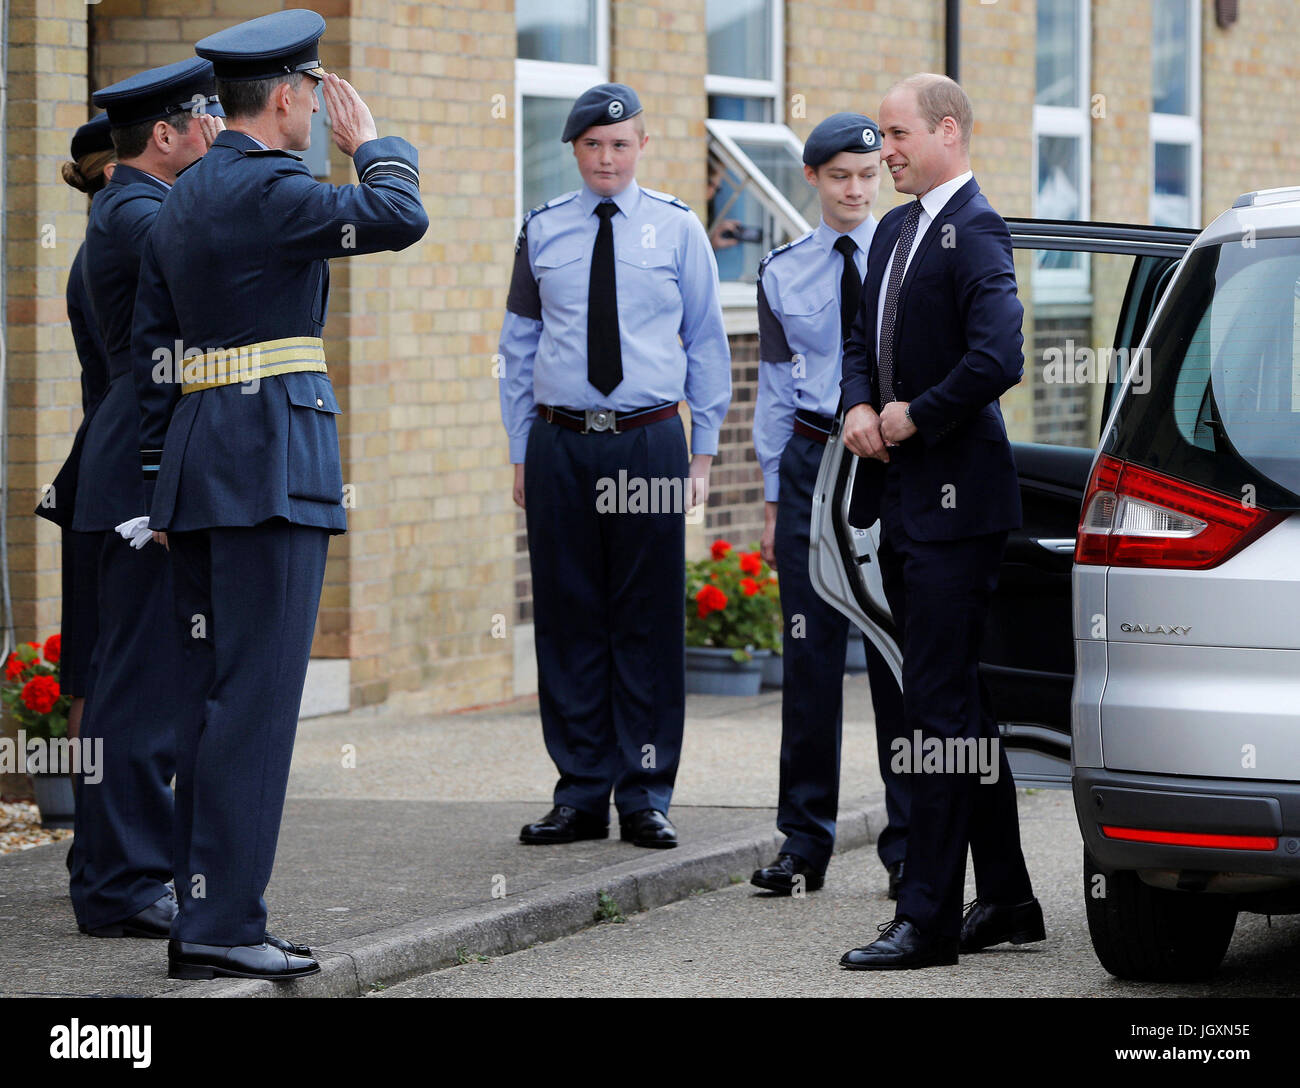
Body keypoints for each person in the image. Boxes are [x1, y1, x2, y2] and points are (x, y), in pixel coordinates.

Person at [130, 8, 428, 981]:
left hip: (198, 468)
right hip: (269, 464)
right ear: (292, 97)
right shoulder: (273, 186)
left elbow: (152, 358)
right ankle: (224, 927)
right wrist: (373, 145)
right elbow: (398, 217)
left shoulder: (180, 196)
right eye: (314, 95)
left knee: (211, 703)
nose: (317, 110)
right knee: (255, 705)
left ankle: (201, 915)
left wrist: (157, 485)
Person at [838, 74, 1043, 970]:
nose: (884, 152)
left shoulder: (978, 229)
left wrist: (916, 414)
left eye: (895, 135)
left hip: (958, 510)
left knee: (936, 715)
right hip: (904, 502)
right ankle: (1007, 899)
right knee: (963, 705)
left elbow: (1001, 356)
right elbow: (859, 336)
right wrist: (855, 405)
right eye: (883, 136)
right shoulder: (892, 229)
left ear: (946, 132)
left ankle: (925, 917)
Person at [500, 83, 731, 851]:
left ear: (641, 146)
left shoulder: (675, 230)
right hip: (562, 441)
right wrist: (519, 449)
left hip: (648, 439)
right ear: (575, 150)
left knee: (646, 617)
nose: (607, 157)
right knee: (568, 618)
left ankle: (644, 794)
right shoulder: (540, 231)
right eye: (594, 146)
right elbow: (519, 349)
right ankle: (579, 793)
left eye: (621, 144)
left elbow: (706, 343)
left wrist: (703, 452)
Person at [65, 59, 223, 941]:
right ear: (163, 137)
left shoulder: (127, 210)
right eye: (204, 119)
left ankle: (114, 870)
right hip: (140, 479)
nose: (212, 132)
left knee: (143, 682)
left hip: (131, 467)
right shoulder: (142, 213)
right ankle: (124, 882)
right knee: (141, 690)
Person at [749, 113, 909, 899]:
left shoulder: (909, 254)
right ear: (812, 179)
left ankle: (907, 843)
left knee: (892, 653)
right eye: (840, 176)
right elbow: (775, 389)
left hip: (889, 458)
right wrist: (776, 492)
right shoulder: (781, 270)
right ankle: (802, 843)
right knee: (809, 657)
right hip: (813, 458)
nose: (855, 190)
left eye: (867, 175)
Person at [38, 113, 116, 748]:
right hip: (113, 477)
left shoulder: (101, 247)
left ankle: (98, 835)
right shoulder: (113, 252)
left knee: (97, 662)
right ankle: (100, 839)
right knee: (101, 666)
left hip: (101, 469)